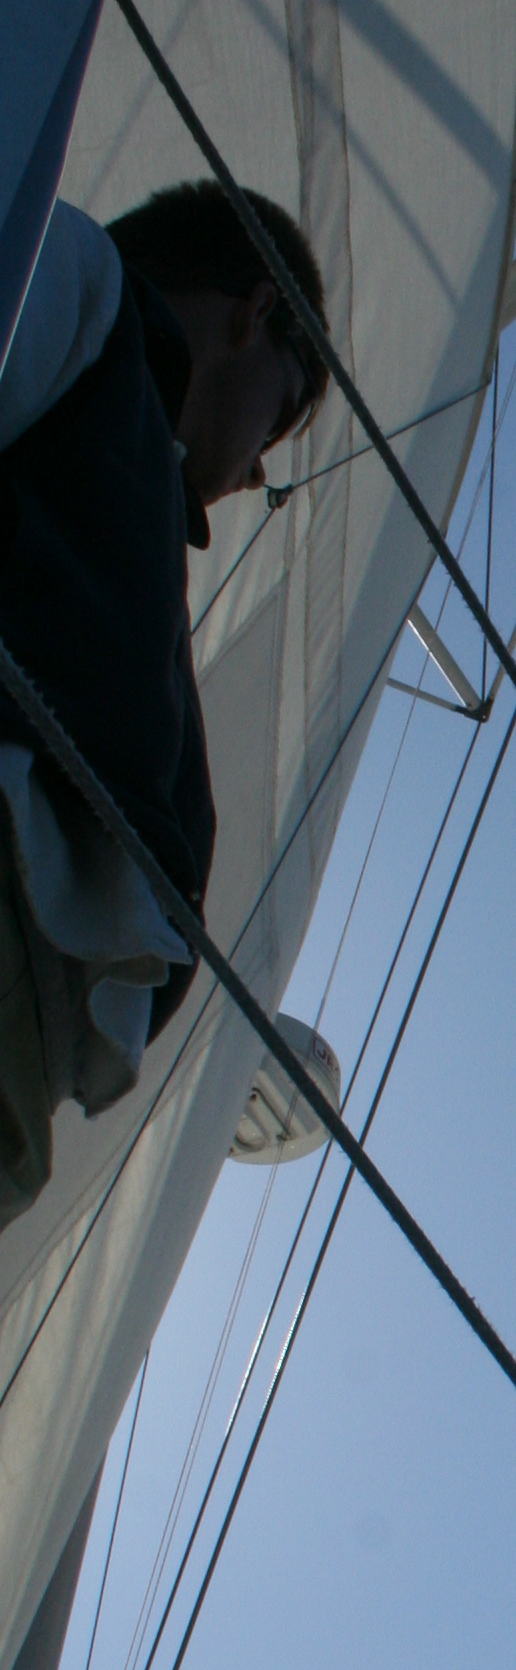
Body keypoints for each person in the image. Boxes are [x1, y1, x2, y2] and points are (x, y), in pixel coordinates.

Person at [0, 178, 327, 1224]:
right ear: (257, 312)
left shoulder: (124, 460)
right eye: (283, 413)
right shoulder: (77, 284)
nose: (259, 469)